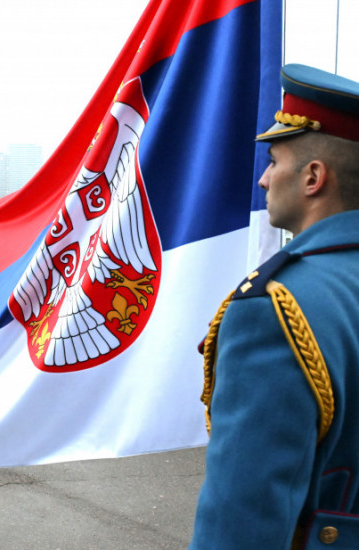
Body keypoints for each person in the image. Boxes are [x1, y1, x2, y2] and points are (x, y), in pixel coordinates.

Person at [191, 64, 359, 549]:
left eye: (273, 161)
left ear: (313, 177)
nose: (264, 180)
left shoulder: (273, 310)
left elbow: (242, 523)